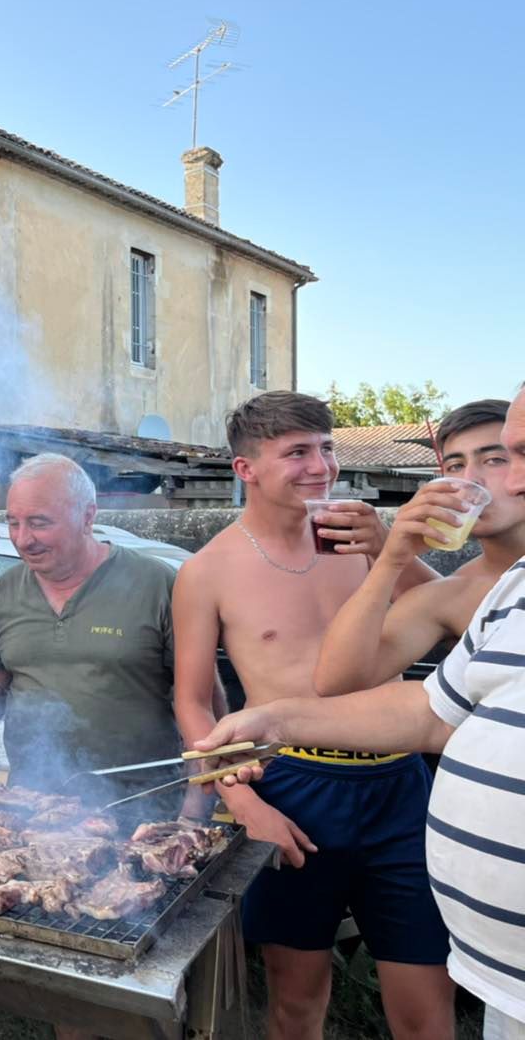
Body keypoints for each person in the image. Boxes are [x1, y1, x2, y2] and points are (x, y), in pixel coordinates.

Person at [190, 386, 525, 1039]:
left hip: (396, 784)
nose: (319, 466)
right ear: (246, 469)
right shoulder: (208, 570)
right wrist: (242, 799)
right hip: (294, 785)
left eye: (326, 448)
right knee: (294, 1000)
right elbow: (205, 700)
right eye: (297, 452)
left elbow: (466, 629)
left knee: (426, 1007)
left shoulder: (370, 542)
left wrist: (388, 550)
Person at [0, 453, 192, 799]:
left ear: (87, 517)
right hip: (32, 806)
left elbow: (203, 701)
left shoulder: (156, 583)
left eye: (39, 522)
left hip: (142, 805)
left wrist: (195, 808)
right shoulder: (7, 590)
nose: (23, 539)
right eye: (13, 522)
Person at [315, 399, 525, 698]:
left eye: (494, 460)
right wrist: (390, 558)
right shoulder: (455, 594)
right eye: (455, 465)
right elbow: (337, 681)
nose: (470, 479)